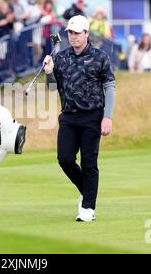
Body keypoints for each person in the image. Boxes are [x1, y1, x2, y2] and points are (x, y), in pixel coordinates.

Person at [43, 15, 116, 222]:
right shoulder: (61, 58)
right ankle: (87, 193)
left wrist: (107, 117)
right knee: (64, 159)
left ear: (86, 34)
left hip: (93, 116)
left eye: (77, 33)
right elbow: (51, 87)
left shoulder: (99, 57)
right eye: (70, 33)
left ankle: (88, 208)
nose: (73, 37)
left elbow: (109, 87)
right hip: (68, 116)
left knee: (89, 163)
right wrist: (49, 71)